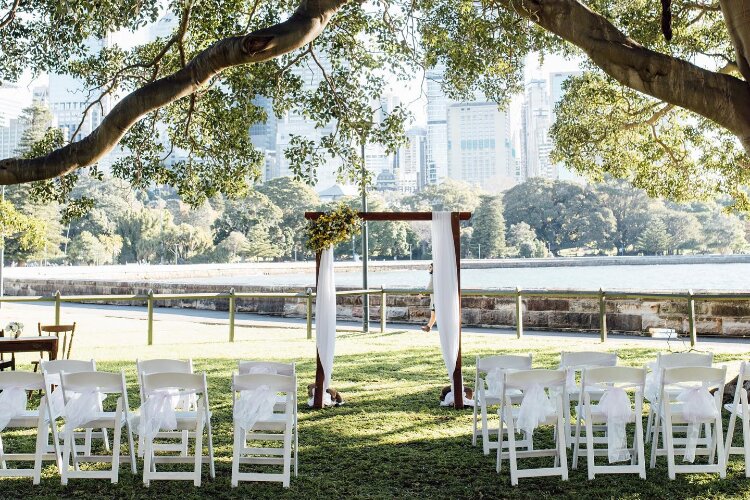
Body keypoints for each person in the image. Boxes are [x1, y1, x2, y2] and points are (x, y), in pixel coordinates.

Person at [422, 263, 436, 332]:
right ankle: (428, 327)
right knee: (433, 314)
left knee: (434, 313)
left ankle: (428, 327)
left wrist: (422, 294)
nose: (429, 268)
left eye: (430, 267)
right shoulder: (435, 275)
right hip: (434, 298)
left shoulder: (434, 275)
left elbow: (430, 286)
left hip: (435, 299)